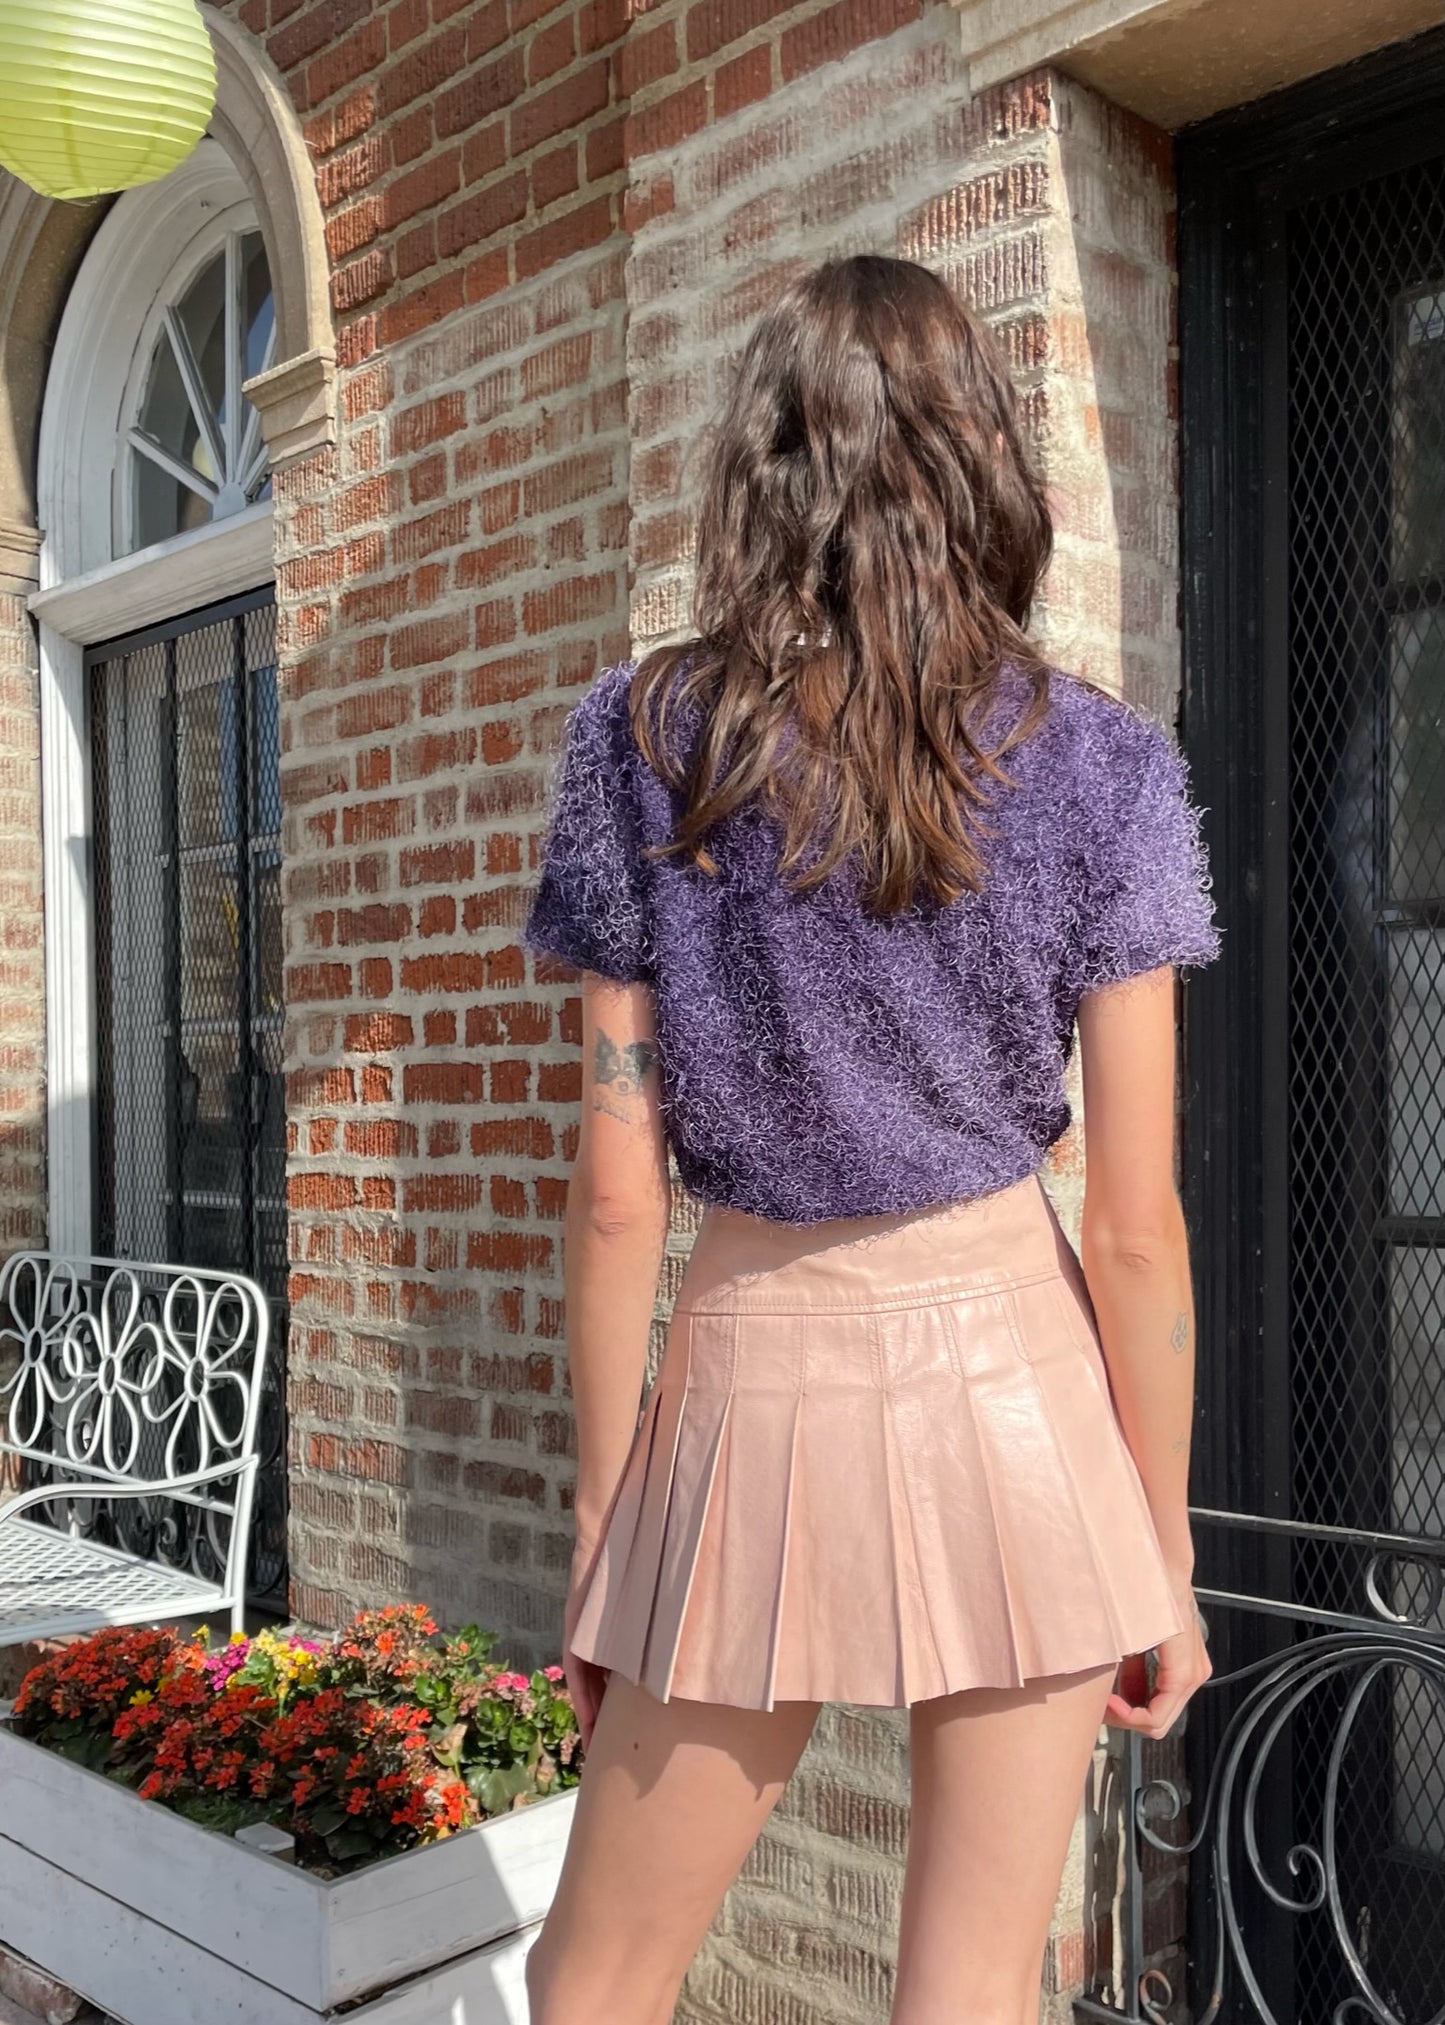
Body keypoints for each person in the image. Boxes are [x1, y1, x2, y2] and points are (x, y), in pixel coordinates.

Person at [519, 252, 1219, 2025]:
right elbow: (1133, 1224)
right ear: (977, 452)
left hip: (747, 1375)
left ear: (759, 473)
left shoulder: (641, 738)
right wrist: (1160, 1542)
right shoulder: (1103, 764)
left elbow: (616, 1197)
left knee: (591, 1977)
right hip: (1019, 1383)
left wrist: (605, 1537)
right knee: (971, 1992)